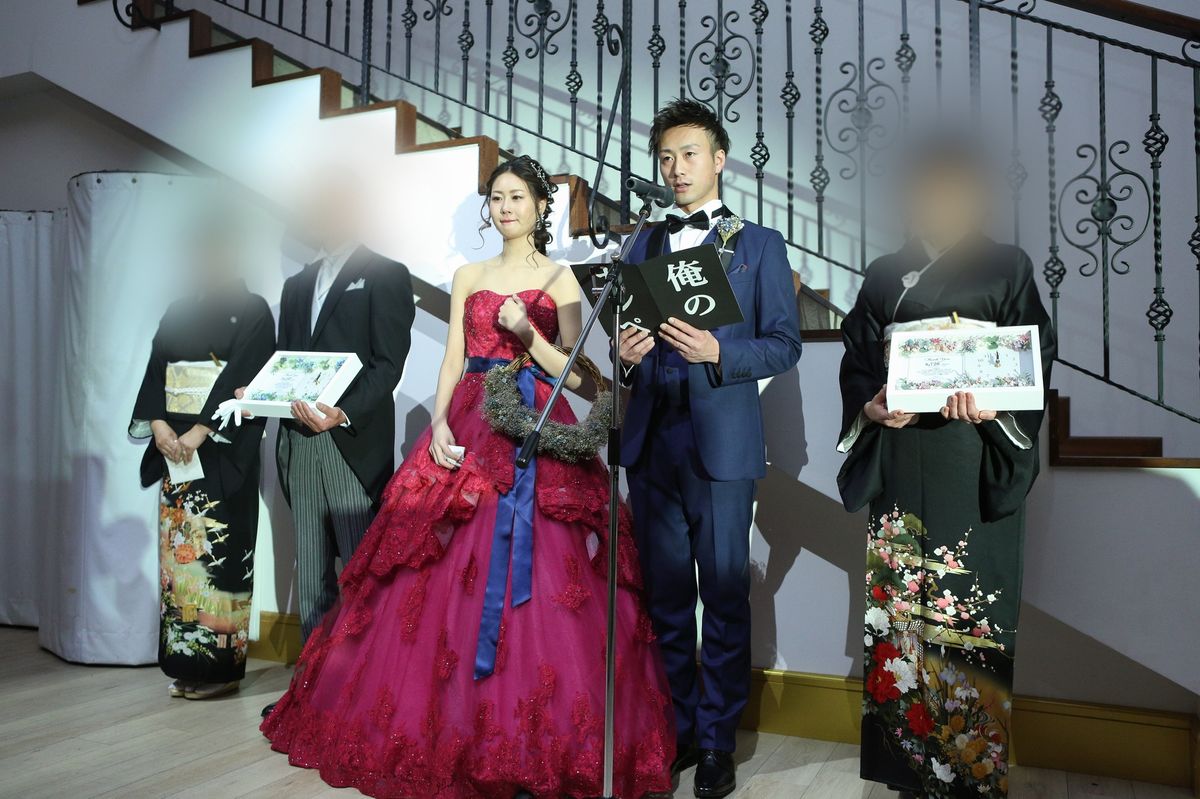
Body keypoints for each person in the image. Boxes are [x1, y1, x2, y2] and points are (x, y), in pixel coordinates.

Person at [261, 155, 675, 798]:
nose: (505, 207)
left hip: (538, 422)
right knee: (434, 571)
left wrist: (525, 332)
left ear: (542, 206)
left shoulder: (562, 278)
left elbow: (576, 372)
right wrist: (440, 423)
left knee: (546, 579)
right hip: (470, 422)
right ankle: (448, 726)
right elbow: (454, 356)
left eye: (517, 197)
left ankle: (529, 742)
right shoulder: (469, 275)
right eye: (496, 197)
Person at [836, 141, 1056, 798]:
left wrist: (995, 405)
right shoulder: (885, 274)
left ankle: (968, 771)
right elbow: (857, 362)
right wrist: (872, 407)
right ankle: (907, 770)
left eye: (952, 189)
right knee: (901, 615)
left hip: (972, 459)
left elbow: (1034, 358)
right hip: (902, 460)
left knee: (967, 611)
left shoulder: (1007, 266)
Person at [616, 98, 803, 799]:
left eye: (688, 154)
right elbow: (623, 341)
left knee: (723, 594)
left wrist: (721, 350)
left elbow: (784, 344)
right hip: (651, 439)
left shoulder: (760, 245)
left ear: (719, 160)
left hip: (721, 444)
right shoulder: (640, 244)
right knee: (666, 596)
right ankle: (681, 730)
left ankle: (720, 740)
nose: (675, 168)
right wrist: (626, 356)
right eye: (665, 157)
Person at [129, 220, 276, 700]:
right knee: (179, 560)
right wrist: (159, 425)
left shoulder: (253, 310)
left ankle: (220, 671)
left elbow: (245, 373)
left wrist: (199, 430)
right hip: (175, 450)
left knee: (219, 556)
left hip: (219, 451)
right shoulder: (178, 310)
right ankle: (183, 663)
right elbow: (157, 370)